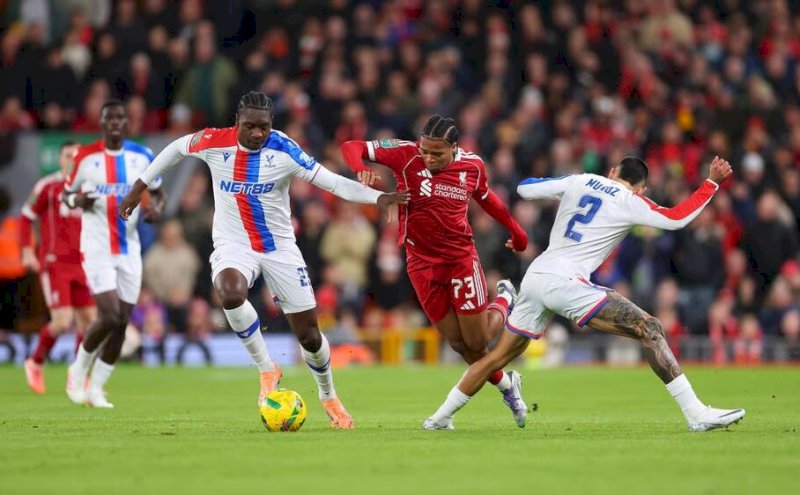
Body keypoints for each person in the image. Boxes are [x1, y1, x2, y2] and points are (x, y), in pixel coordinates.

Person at [119, 91, 409, 429]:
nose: (258, 133)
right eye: (250, 127)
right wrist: (140, 186)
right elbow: (175, 148)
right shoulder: (214, 141)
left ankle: (329, 395)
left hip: (279, 247)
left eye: (264, 127)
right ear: (237, 122)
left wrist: (378, 197)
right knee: (229, 292)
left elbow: (331, 182)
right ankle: (267, 368)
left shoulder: (284, 148)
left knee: (310, 336)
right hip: (234, 244)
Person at [423, 156, 746, 432]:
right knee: (651, 329)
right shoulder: (631, 200)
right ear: (642, 189)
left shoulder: (581, 180)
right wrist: (711, 183)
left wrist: (565, 186)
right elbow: (677, 219)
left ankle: (440, 418)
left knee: (495, 358)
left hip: (536, 275)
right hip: (566, 283)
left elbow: (525, 188)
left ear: (612, 171)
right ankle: (696, 414)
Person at [340, 115, 530, 426]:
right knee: (458, 344)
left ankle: (505, 299)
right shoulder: (404, 153)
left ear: (454, 148)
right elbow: (352, 146)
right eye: (425, 150)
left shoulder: (472, 165)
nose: (428, 158)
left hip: (460, 261)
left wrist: (516, 229)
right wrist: (359, 167)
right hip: (421, 264)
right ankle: (508, 385)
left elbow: (486, 197)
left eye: (437, 153)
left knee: (478, 342)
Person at [63, 100, 165, 408]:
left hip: (129, 249)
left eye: (121, 118)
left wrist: (156, 210)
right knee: (108, 315)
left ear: (127, 123)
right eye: (110, 118)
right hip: (97, 248)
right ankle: (77, 370)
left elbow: (158, 193)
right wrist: (78, 202)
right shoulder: (85, 157)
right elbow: (67, 195)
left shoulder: (142, 156)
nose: (116, 123)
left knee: (121, 322)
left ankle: (96, 388)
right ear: (102, 122)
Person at [20, 141, 97, 394]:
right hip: (56, 263)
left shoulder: (89, 187)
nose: (72, 160)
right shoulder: (49, 186)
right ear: (59, 159)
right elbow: (26, 215)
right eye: (67, 155)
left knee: (89, 322)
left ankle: (78, 374)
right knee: (62, 321)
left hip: (84, 263)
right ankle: (35, 362)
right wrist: (27, 249)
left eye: (77, 156)